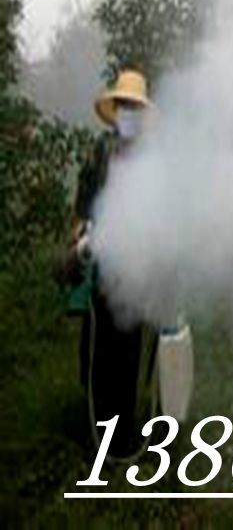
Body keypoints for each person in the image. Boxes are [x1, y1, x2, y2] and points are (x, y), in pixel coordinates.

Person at [61, 68, 158, 458]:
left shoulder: (153, 160)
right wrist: (79, 240)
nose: (127, 113)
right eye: (123, 106)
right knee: (98, 353)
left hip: (137, 272)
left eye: (134, 107)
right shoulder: (99, 153)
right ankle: (98, 433)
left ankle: (123, 437)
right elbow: (83, 204)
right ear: (114, 109)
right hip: (100, 268)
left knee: (127, 354)